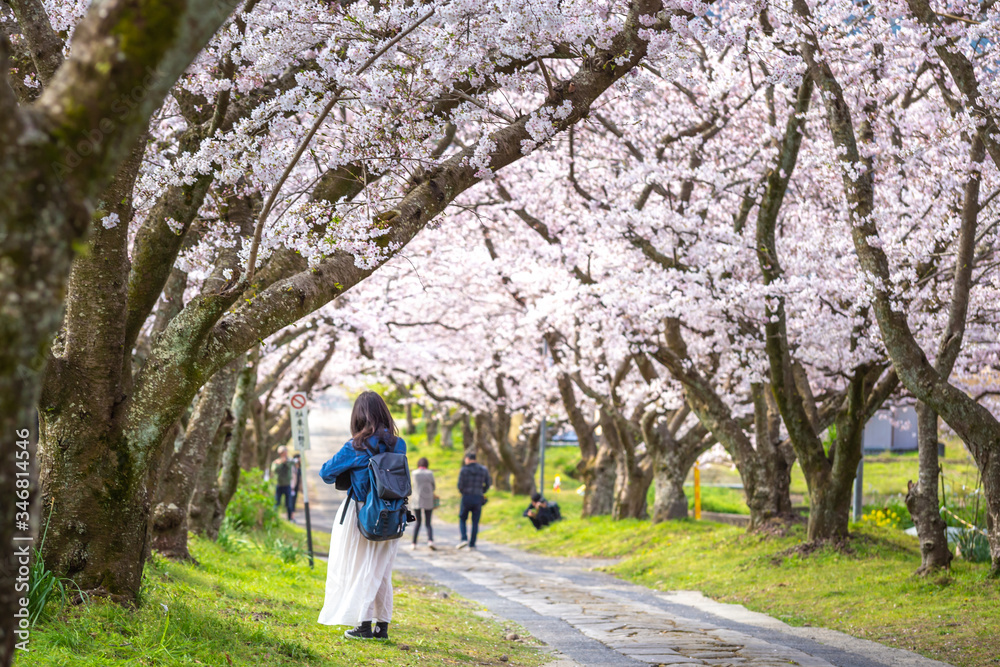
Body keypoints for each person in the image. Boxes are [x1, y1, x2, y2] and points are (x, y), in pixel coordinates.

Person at [317, 391, 406, 641]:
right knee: (382, 571)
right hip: (393, 515)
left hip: (364, 515)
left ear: (359, 415)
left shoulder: (356, 445)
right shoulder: (399, 444)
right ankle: (382, 627)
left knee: (362, 569)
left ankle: (364, 625)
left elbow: (326, 473)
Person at [456, 451, 491, 549]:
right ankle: (472, 544)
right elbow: (488, 484)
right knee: (475, 521)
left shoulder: (464, 470)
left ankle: (464, 539)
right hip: (478, 497)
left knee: (463, 518)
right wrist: (482, 491)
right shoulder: (483, 469)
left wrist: (463, 492)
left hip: (466, 497)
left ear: (467, 459)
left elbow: (460, 485)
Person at [410, 457, 436, 550]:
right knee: (428, 523)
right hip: (428, 499)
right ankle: (430, 541)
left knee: (418, 523)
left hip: (417, 500)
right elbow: (433, 486)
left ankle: (413, 543)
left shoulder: (414, 473)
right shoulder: (430, 473)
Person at [270, 446, 293, 520]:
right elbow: (274, 470)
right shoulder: (276, 462)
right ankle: (274, 518)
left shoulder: (289, 461)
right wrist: (280, 463)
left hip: (287, 485)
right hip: (279, 485)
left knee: (289, 504)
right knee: (276, 503)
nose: (285, 454)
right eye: (284, 453)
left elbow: (294, 464)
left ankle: (290, 518)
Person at [289, 453, 303, 521]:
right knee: (291, 502)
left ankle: (292, 516)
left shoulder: (298, 468)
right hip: (292, 487)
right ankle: (291, 517)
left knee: (294, 502)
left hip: (296, 487)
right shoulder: (292, 467)